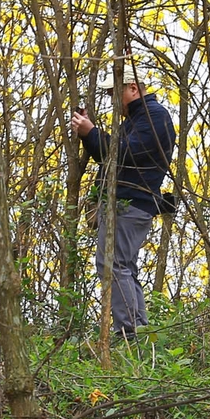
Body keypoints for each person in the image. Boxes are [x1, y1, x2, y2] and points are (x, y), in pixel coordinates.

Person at [70, 77, 176, 340]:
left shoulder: (154, 116)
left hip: (131, 204)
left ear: (132, 88)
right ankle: (137, 330)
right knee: (123, 266)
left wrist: (91, 132)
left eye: (113, 92)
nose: (111, 99)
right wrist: (88, 134)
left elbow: (122, 153)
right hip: (127, 204)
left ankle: (128, 333)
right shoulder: (138, 118)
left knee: (113, 265)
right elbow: (109, 156)